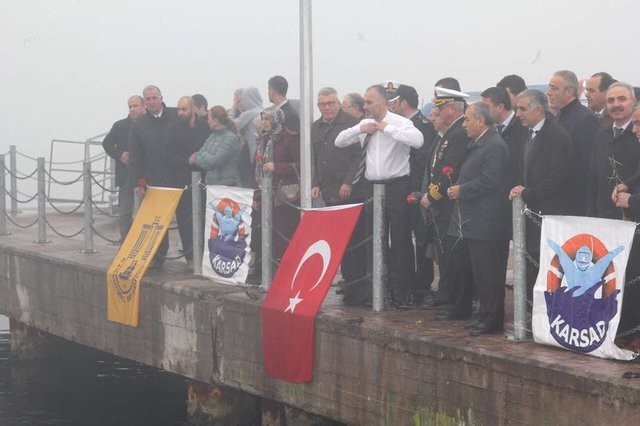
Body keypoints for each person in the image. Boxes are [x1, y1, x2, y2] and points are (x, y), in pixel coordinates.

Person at [335, 84, 423, 307]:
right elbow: (340, 141)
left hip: (396, 185)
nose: (366, 106)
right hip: (372, 187)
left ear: (384, 102)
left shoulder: (400, 122)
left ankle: (403, 291)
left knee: (401, 239)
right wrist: (359, 130)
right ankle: (377, 289)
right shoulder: (364, 123)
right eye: (364, 102)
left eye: (370, 102)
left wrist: (387, 129)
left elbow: (418, 140)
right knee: (374, 238)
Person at [446, 102, 511, 335]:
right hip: (476, 222)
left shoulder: (493, 145)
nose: (464, 125)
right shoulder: (479, 144)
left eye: (467, 119)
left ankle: (492, 319)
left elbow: (492, 180)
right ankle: (484, 315)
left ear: (481, 121)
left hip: (489, 222)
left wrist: (462, 190)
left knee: (490, 274)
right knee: (480, 274)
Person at [509, 89, 575, 308]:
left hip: (548, 215)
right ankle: (531, 312)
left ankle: (545, 313)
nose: (517, 114)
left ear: (538, 110)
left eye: (522, 109)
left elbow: (557, 178)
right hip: (531, 215)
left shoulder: (557, 136)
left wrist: (526, 192)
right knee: (531, 266)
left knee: (546, 267)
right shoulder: (528, 133)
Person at [310, 87, 368, 299]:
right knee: (339, 239)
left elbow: (357, 157)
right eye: (322, 104)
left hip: (349, 191)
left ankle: (358, 283)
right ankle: (348, 279)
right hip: (329, 191)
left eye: (330, 103)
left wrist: (349, 182)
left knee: (355, 240)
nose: (327, 108)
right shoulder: (315, 127)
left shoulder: (350, 124)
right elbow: (316, 159)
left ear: (337, 103)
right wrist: (315, 182)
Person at [420, 84, 471, 309]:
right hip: (444, 203)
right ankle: (449, 296)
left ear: (451, 108)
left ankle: (456, 299)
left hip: (450, 203)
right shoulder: (451, 132)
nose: (437, 112)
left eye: (439, 107)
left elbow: (450, 169)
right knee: (446, 253)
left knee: (453, 255)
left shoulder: (459, 132)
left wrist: (432, 196)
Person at [393, 84, 438, 304]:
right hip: (400, 190)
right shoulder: (397, 125)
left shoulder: (423, 126)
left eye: (396, 102)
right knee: (402, 239)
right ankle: (405, 283)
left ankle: (422, 284)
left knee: (421, 240)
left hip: (417, 190)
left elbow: (423, 160)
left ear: (403, 102)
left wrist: (418, 191)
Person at [129, 85, 180, 267]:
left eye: (154, 98)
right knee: (156, 222)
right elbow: (135, 156)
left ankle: (191, 256)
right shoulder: (139, 124)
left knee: (185, 217)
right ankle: (157, 257)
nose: (151, 102)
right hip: (153, 179)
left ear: (161, 97)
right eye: (148, 99)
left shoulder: (176, 115)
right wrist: (138, 182)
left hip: (179, 177)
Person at [547, 70, 599, 215]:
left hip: (576, 203)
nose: (549, 93)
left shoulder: (585, 119)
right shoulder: (557, 118)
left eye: (554, 88)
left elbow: (588, 165)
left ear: (569, 92)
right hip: (558, 199)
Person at [166, 96, 210, 266]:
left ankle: (205, 253)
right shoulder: (173, 130)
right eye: (178, 109)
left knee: (204, 217)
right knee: (185, 219)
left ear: (193, 109)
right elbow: (168, 157)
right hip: (182, 179)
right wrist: (187, 160)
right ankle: (190, 256)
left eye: (184, 109)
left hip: (204, 179)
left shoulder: (206, 127)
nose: (180, 113)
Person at [253, 106, 301, 261]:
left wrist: (277, 167)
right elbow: (256, 168)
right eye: (263, 119)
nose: (264, 122)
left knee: (284, 232)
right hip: (266, 192)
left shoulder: (290, 138)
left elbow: (301, 164)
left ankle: (284, 267)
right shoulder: (263, 139)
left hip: (285, 195)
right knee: (265, 232)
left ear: (276, 119)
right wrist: (256, 194)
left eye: (267, 119)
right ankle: (266, 267)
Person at [588, 82, 639, 220]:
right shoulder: (601, 135)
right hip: (605, 220)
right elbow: (594, 180)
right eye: (610, 101)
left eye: (622, 99)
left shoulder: (637, 135)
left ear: (634, 102)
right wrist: (592, 216)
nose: (616, 104)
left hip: (633, 220)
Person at [102, 95, 145, 241]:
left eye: (135, 106)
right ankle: (125, 241)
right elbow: (106, 144)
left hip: (145, 175)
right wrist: (120, 154)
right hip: (125, 175)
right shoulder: (119, 125)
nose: (132, 109)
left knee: (146, 211)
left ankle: (144, 242)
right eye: (130, 106)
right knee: (125, 211)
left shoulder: (150, 124)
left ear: (143, 106)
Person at [481, 86, 528, 188]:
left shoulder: (523, 127)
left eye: (486, 107)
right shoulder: (487, 130)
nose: (483, 112)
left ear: (500, 107)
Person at [192, 106, 242, 187]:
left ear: (215, 121)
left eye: (209, 118)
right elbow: (197, 158)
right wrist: (205, 157)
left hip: (226, 186)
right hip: (211, 185)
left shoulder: (231, 138)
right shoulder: (212, 136)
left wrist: (204, 154)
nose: (207, 121)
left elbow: (215, 162)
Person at [233, 87, 263, 187]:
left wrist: (233, 109)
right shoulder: (262, 111)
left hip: (254, 156)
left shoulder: (250, 113)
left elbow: (231, 125)